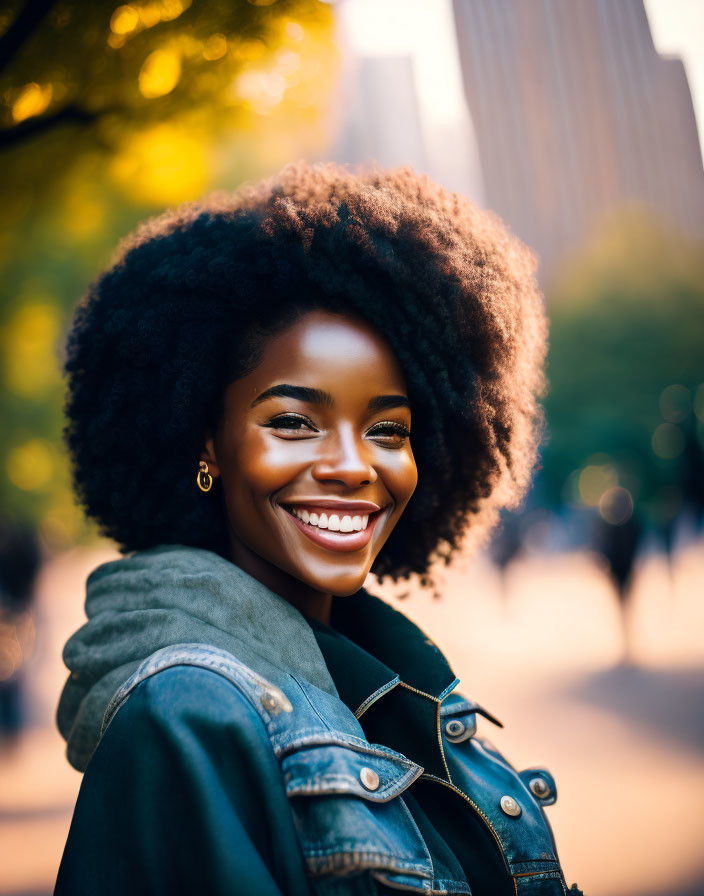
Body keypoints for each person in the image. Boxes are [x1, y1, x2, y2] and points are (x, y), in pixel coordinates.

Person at [54, 161, 582, 895]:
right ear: (206, 443)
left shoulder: (402, 691)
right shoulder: (184, 718)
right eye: (295, 422)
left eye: (387, 430)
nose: (352, 466)